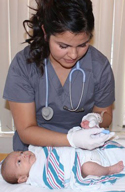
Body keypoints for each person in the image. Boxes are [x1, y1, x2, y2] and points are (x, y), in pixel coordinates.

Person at [3, 0, 115, 151]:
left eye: (82, 44)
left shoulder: (99, 66)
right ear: (45, 32)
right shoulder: (24, 65)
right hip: (34, 153)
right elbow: (26, 130)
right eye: (63, 46)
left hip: (84, 152)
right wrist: (73, 140)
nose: (73, 54)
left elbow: (106, 114)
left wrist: (96, 119)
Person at [1, 141, 125, 189]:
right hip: (77, 167)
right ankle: (108, 170)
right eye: (19, 162)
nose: (23, 155)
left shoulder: (37, 152)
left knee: (102, 144)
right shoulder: (37, 174)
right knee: (88, 167)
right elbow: (56, 179)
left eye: (21, 152)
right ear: (22, 178)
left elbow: (52, 147)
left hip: (79, 152)